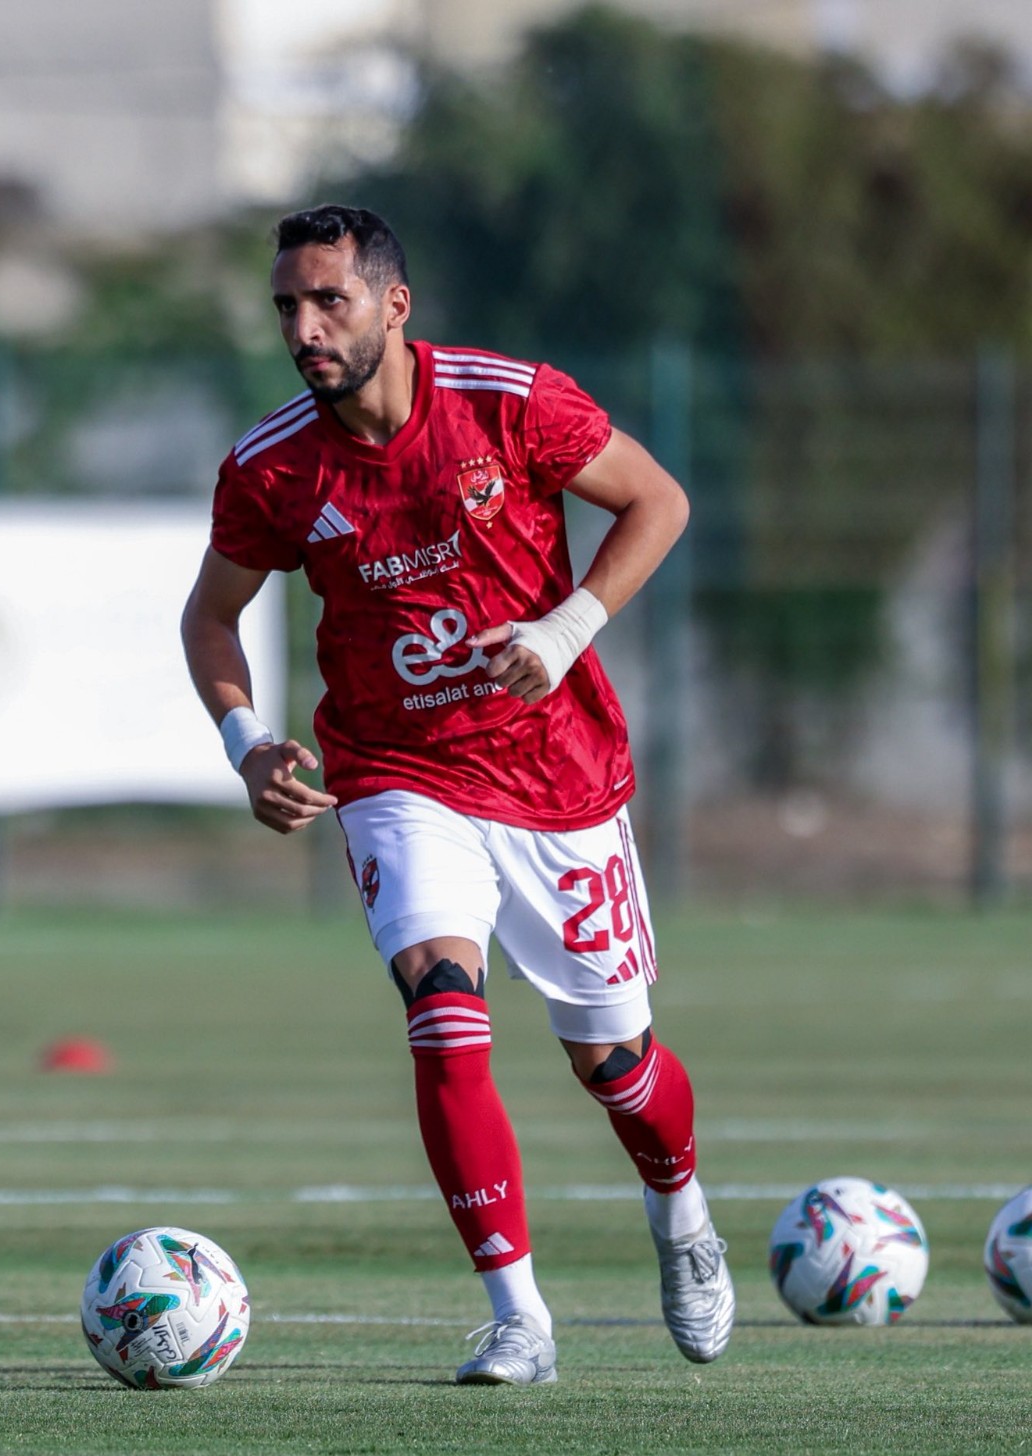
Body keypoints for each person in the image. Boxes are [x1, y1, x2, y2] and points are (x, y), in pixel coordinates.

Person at [181, 203, 734, 1385]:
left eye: (329, 301)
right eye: (287, 306)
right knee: (440, 1004)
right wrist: (248, 742)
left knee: (617, 1066)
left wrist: (564, 630)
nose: (304, 328)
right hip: (398, 773)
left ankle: (682, 1212)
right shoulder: (273, 466)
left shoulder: (507, 402)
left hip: (554, 771)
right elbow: (210, 617)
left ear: (395, 304)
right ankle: (518, 1317)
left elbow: (660, 501)